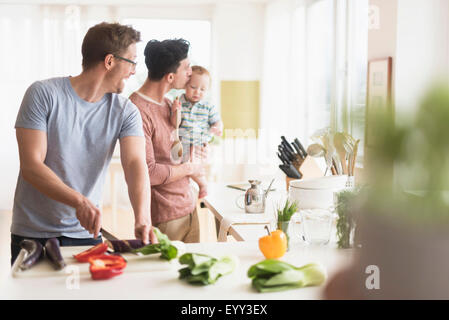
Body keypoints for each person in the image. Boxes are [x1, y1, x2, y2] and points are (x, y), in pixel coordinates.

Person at [11, 22, 157, 265]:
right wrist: (79, 201)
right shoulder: (43, 94)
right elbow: (31, 165)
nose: (134, 70)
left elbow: (134, 163)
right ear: (110, 61)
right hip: (32, 233)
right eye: (131, 61)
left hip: (86, 233)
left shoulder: (126, 111)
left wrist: (142, 217)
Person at [129, 39, 206, 243]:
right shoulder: (136, 109)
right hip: (165, 216)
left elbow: (175, 153)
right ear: (170, 77)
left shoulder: (172, 103)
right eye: (187, 68)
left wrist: (195, 151)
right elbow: (149, 172)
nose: (191, 72)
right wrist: (190, 168)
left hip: (189, 206)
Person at [175, 65, 223, 198]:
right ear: (185, 85)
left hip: (200, 144)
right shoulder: (179, 102)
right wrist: (175, 111)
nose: (197, 92)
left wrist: (217, 128)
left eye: (203, 89)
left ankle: (202, 184)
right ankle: (196, 186)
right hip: (183, 143)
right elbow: (174, 123)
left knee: (194, 166)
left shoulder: (208, 106)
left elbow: (217, 121)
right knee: (185, 167)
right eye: (193, 87)